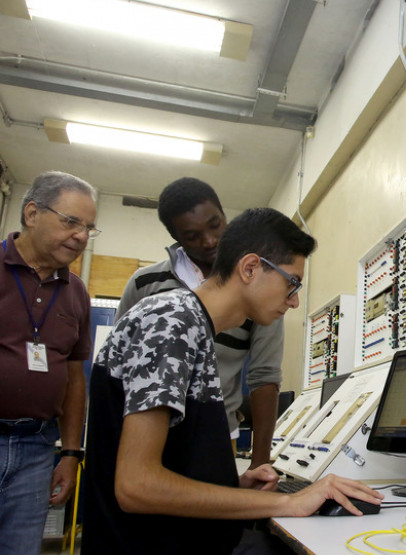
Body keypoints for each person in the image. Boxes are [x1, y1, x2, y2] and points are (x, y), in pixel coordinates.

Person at [82, 208, 382, 555]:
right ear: (251, 268)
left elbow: (169, 463)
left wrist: (236, 486)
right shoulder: (171, 323)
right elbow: (137, 486)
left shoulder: (192, 326)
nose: (295, 300)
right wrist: (289, 503)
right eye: (292, 282)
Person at [117, 177, 283, 467]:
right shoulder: (145, 284)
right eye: (192, 235)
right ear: (176, 236)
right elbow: (120, 366)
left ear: (223, 214)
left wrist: (260, 461)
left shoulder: (258, 287)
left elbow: (265, 377)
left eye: (215, 224)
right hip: (147, 438)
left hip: (218, 438)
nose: (209, 241)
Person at [0, 171, 98, 555]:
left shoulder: (76, 293)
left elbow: (75, 378)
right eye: (71, 221)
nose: (81, 236)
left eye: (89, 227)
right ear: (31, 213)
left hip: (37, 450)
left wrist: (71, 454)